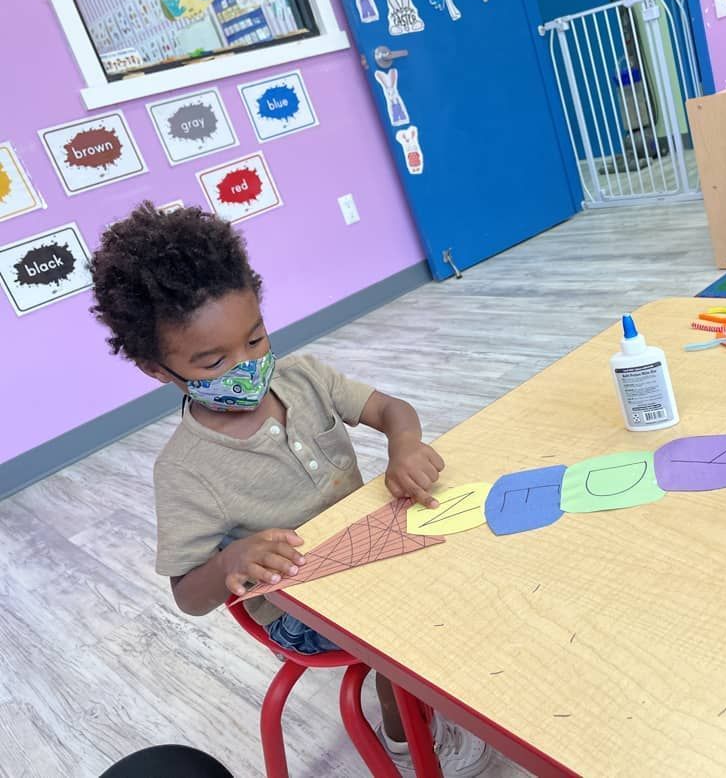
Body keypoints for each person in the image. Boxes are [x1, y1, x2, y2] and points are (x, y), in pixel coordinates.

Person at [89, 203, 491, 776]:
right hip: (299, 604)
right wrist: (231, 559)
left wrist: (403, 444)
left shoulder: (303, 376)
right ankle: (409, 742)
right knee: (400, 630)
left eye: (255, 339)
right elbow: (188, 595)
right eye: (214, 361)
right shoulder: (185, 471)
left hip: (367, 543)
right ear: (159, 371)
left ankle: (457, 683)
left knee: (467, 543)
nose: (248, 365)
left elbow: (389, 408)